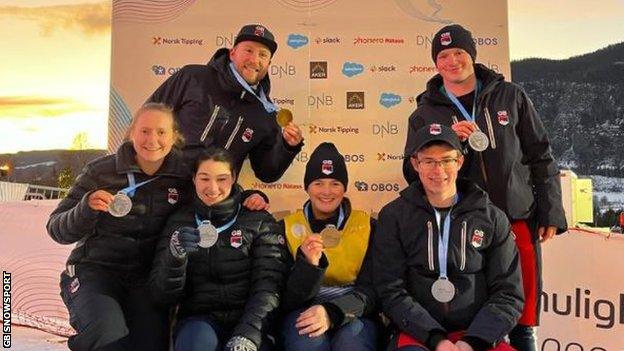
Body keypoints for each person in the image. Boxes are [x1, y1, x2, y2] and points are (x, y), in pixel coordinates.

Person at [402, 24, 567, 350]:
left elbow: (540, 156)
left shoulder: (511, 96)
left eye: (458, 53)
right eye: (443, 55)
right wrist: (453, 146)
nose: (452, 61)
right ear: (436, 63)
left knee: (522, 320)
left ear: (472, 55)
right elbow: (412, 172)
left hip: (516, 217)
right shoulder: (425, 112)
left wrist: (551, 209)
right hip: (463, 228)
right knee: (475, 318)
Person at [47, 103, 191, 351]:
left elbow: (218, 193)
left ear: (174, 136)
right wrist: (86, 207)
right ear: (132, 132)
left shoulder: (184, 176)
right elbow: (56, 228)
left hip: (144, 282)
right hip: (95, 272)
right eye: (144, 131)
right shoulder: (101, 171)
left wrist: (252, 198)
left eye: (161, 132)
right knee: (107, 336)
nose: (152, 140)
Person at [377, 124, 524, 351]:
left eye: (447, 160)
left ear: (459, 162)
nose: (439, 170)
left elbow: (508, 293)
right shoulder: (393, 216)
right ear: (416, 164)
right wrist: (437, 340)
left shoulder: (492, 217)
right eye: (429, 161)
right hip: (417, 334)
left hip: (477, 335)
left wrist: (472, 342)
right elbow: (391, 290)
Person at [149, 147, 289, 351]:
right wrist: (175, 257)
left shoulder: (258, 220)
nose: (213, 188)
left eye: (221, 179)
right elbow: (161, 296)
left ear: (233, 178)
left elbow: (269, 286)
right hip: (199, 320)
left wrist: (248, 334)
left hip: (251, 320)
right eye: (204, 178)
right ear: (194, 179)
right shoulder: (178, 221)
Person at [147, 23, 303, 182]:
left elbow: (267, 173)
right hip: (166, 188)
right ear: (233, 53)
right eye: (248, 50)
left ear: (269, 64)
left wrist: (288, 147)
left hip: (215, 197)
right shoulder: (192, 77)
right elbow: (147, 117)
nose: (255, 60)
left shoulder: (266, 113)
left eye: (263, 55)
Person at [279, 142, 379, 351]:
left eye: (335, 183)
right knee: (307, 345)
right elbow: (287, 299)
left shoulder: (367, 226)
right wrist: (308, 267)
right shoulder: (287, 227)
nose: (326, 191)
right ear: (307, 186)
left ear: (344, 187)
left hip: (354, 311)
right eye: (318, 183)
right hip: (303, 311)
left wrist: (332, 312)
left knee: (352, 345)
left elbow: (374, 290)